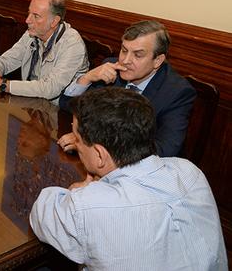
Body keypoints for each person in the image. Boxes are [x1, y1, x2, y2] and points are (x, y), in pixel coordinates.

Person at [30, 87, 227, 270]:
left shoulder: (88, 206)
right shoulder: (190, 172)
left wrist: (80, 189)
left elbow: (40, 213)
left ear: (100, 155)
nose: (76, 145)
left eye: (78, 140)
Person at [57, 20, 196, 157]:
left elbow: (165, 149)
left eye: (138, 55)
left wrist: (90, 142)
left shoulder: (177, 92)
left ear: (157, 61)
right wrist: (86, 78)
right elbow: (67, 106)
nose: (125, 60)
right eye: (124, 50)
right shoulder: (111, 68)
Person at [0, 0, 88, 103]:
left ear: (54, 21)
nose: (27, 20)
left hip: (58, 113)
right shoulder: (33, 33)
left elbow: (50, 89)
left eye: (36, 16)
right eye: (29, 13)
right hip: (33, 104)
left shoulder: (72, 43)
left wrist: (2, 85)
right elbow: (8, 59)